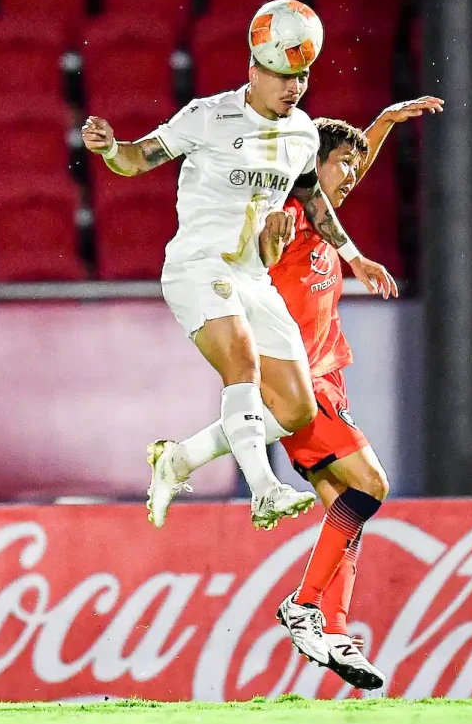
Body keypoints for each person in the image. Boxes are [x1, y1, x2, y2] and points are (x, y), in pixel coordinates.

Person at [139, 97, 444, 689]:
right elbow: (263, 257)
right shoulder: (289, 211)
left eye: (358, 168)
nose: (353, 177)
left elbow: (340, 175)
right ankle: (305, 608)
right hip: (303, 372)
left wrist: (380, 124)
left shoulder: (326, 212)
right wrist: (268, 251)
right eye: (343, 166)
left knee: (345, 512)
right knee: (370, 486)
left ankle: (331, 627)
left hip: (330, 374)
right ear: (311, 164)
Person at [82, 0, 396, 531]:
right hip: (197, 266)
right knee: (243, 365)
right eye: (281, 76)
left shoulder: (302, 135)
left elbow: (313, 200)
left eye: (300, 77)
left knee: (296, 409)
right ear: (254, 70)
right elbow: (139, 158)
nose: (292, 88)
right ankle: (265, 488)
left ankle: (177, 460)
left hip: (251, 275)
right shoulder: (209, 117)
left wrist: (354, 256)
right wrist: (111, 148)